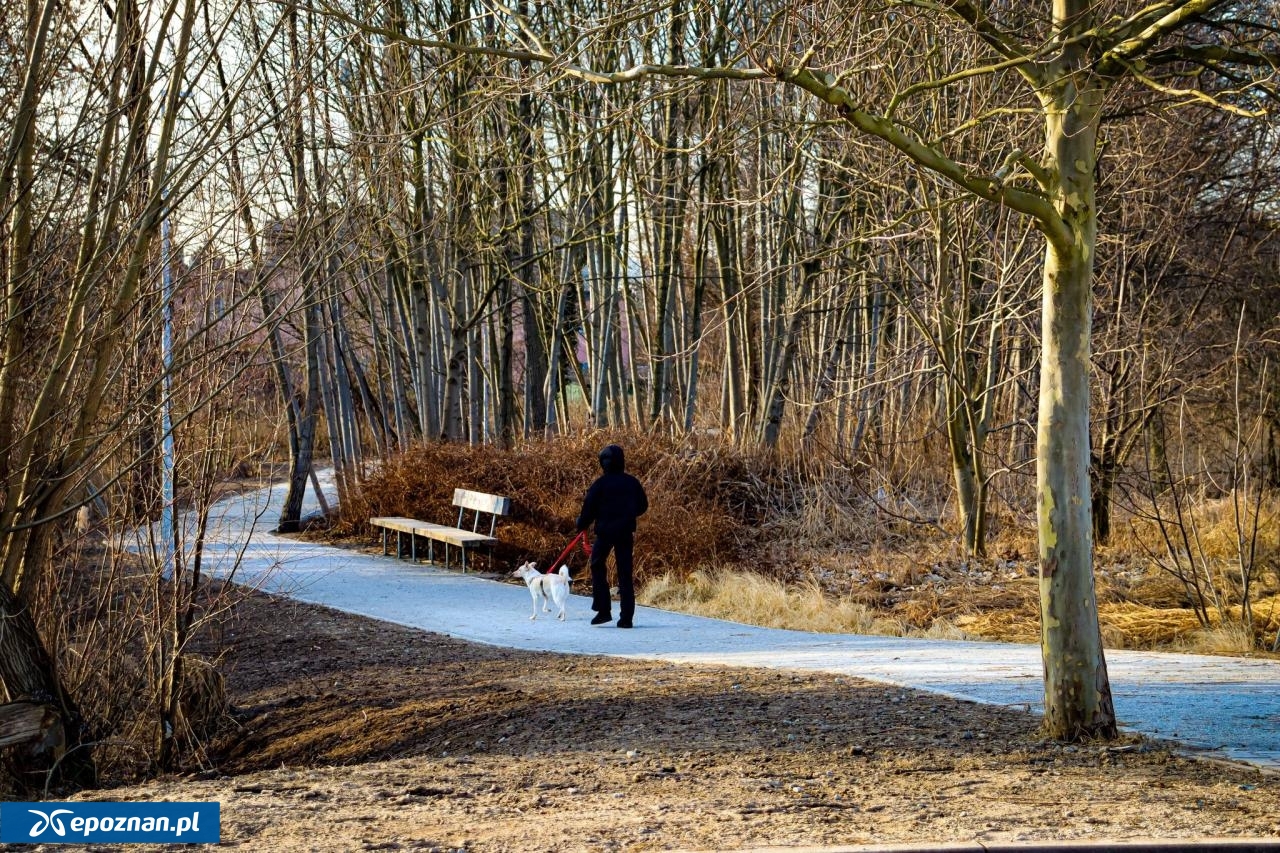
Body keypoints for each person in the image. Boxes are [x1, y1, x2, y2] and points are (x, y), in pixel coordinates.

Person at [575, 444, 648, 628]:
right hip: (625, 533)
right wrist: (628, 514)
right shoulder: (632, 482)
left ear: (603, 463)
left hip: (605, 533)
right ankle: (626, 618)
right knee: (625, 573)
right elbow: (643, 506)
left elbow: (588, 510)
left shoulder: (600, 484)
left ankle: (603, 610)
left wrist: (581, 525)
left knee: (597, 565)